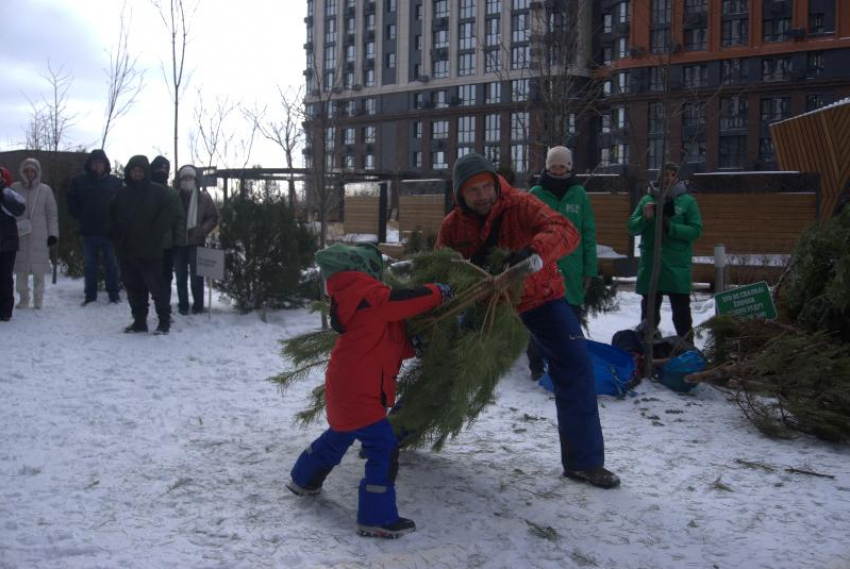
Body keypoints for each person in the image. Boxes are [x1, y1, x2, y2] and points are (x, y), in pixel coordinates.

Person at [436, 152, 619, 489]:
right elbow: (440, 269)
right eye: (472, 190)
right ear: (460, 194)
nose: (482, 196)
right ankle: (395, 433)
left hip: (541, 297)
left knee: (575, 364)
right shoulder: (453, 226)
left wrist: (533, 252)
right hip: (489, 306)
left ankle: (584, 463)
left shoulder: (521, 204)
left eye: (486, 187)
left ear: (495, 183)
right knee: (448, 366)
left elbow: (565, 231)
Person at [287, 243, 451, 538]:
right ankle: (376, 517)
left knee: (338, 436)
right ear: (364, 268)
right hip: (360, 390)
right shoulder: (365, 291)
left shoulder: (358, 298)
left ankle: (303, 479)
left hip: (347, 386)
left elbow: (386, 340)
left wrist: (413, 347)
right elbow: (399, 301)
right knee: (383, 448)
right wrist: (438, 292)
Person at [527, 146, 598, 381]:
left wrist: (590, 269)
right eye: (553, 166)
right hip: (541, 267)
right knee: (539, 317)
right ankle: (537, 366)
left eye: (562, 166)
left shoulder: (579, 194)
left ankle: (566, 364)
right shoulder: (536, 193)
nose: (557, 170)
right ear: (547, 167)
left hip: (572, 268)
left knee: (570, 319)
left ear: (568, 167)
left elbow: (588, 233)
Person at [627, 162, 703, 339]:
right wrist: (645, 219)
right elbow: (631, 227)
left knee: (682, 314)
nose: (668, 178)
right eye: (664, 175)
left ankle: (686, 349)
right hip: (651, 264)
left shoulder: (687, 201)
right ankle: (646, 352)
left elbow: (696, 230)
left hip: (676, 266)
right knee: (649, 314)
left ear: (677, 178)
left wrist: (672, 227)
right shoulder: (647, 200)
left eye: (671, 174)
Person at [108, 155, 180, 334]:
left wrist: (156, 231)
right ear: (129, 172)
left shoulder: (158, 191)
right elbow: (111, 214)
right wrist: (116, 234)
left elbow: (171, 208)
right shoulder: (122, 193)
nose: (137, 174)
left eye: (140, 171)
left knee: (158, 289)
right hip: (127, 249)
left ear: (146, 172)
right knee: (134, 288)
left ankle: (164, 322)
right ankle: (139, 321)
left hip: (151, 250)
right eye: (134, 170)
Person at [66, 149, 122, 305]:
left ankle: (114, 295)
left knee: (111, 264)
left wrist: (116, 222)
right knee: (90, 265)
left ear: (105, 165)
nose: (97, 166)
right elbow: (70, 200)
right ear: (90, 165)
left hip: (108, 231)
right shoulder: (79, 181)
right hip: (88, 230)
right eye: (94, 163)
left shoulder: (115, 182)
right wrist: (80, 216)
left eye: (100, 163)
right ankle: (90, 296)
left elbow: (121, 205)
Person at [12, 158, 58, 310]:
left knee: (39, 271)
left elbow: (52, 214)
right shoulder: (15, 188)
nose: (30, 173)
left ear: (37, 172)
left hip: (40, 235)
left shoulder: (45, 190)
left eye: (33, 170)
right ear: (22, 172)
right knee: (20, 271)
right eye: (27, 170)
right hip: (20, 234)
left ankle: (38, 300)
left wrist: (52, 234)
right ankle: (24, 299)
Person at [173, 165, 218, 315]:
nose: (188, 180)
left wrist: (202, 230)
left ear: (195, 179)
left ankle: (198, 306)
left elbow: (213, 217)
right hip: (178, 242)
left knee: (196, 278)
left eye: (190, 177)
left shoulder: (204, 197)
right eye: (185, 178)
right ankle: (183, 305)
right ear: (180, 180)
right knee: (180, 277)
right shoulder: (174, 197)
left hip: (196, 241)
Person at [150, 156, 186, 310]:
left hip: (166, 246)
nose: (162, 171)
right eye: (159, 168)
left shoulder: (172, 194)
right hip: (144, 245)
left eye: (165, 169)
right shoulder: (143, 191)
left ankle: (164, 310)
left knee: (165, 280)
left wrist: (178, 242)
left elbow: (179, 220)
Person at [0, 167, 27, 321]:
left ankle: (5, 311)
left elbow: (19, 209)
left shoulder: (8, 192)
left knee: (5, 277)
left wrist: (3, 197)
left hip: (7, 242)